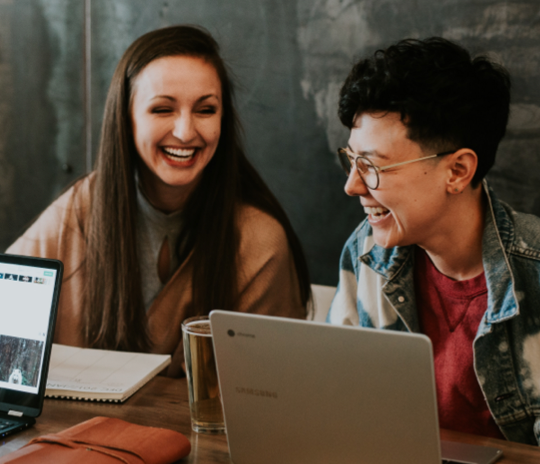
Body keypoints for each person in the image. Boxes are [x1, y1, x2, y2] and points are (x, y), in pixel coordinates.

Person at [8, 25, 310, 377]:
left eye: (206, 110)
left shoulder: (259, 242)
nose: (185, 131)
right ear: (127, 118)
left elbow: (270, 392)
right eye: (162, 109)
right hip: (71, 431)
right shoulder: (79, 210)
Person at [327, 37, 540, 445]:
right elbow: (336, 400)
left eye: (371, 167)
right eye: (351, 160)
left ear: (457, 171)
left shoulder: (535, 271)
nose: (352, 185)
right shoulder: (365, 253)